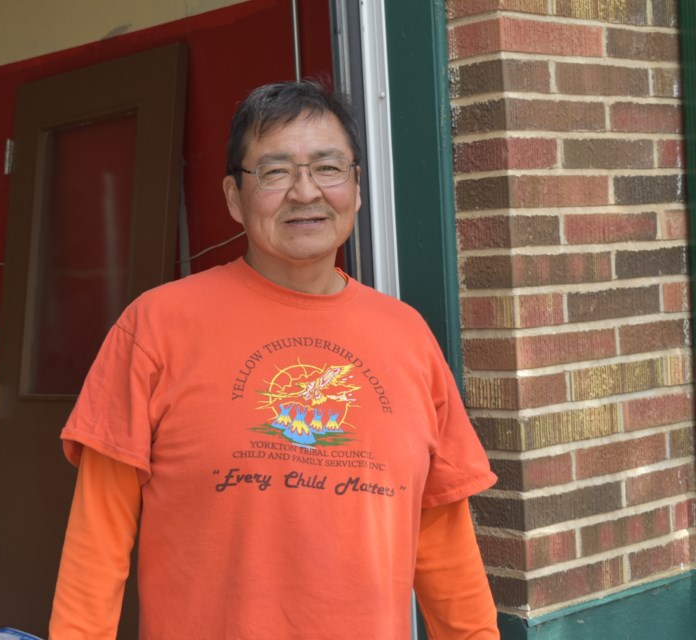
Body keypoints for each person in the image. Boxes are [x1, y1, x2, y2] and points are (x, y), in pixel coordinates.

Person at [49, 79, 499, 639]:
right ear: (235, 198)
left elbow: (444, 541)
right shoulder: (158, 326)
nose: (305, 192)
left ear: (356, 189)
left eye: (328, 168)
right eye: (275, 171)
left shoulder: (407, 337)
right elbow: (99, 538)